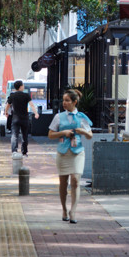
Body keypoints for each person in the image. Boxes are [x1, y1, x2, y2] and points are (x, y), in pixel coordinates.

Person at [48, 88, 93, 223]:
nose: (64, 103)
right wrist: (64, 133)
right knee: (63, 183)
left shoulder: (82, 117)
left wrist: (82, 132)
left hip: (78, 152)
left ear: (75, 102)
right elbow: (50, 135)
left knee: (75, 180)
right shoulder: (58, 117)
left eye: (67, 100)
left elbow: (90, 135)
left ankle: (73, 211)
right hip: (63, 152)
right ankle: (63, 209)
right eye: (63, 100)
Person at [5, 79, 39, 157]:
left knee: (14, 135)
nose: (23, 87)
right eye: (23, 85)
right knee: (24, 135)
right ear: (20, 87)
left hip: (15, 118)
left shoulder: (12, 95)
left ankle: (14, 151)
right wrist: (36, 113)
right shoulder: (26, 95)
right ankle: (24, 152)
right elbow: (32, 105)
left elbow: (8, 105)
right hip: (24, 118)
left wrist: (6, 112)